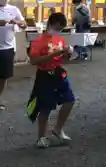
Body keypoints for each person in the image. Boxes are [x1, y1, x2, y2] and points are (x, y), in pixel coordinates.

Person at [28, 12, 76, 148]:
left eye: (61, 29)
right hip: (44, 75)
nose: (59, 31)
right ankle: (41, 137)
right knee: (45, 107)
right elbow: (33, 61)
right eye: (58, 27)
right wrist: (54, 54)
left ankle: (58, 129)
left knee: (70, 100)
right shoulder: (38, 41)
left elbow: (63, 59)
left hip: (58, 73)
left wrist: (67, 54)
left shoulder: (59, 39)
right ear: (50, 24)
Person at [0, 0, 27, 111]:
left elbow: (24, 25)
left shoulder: (14, 9)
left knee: (3, 76)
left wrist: (18, 22)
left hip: (7, 48)